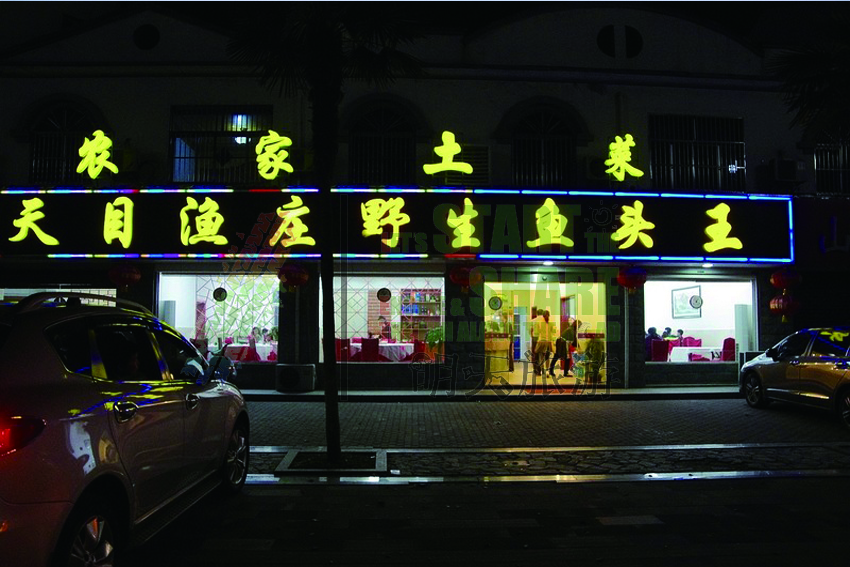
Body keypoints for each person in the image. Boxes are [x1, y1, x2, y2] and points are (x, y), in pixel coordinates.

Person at [535, 310, 556, 377]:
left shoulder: (539, 322)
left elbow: (537, 332)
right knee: (547, 357)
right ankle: (547, 371)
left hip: (541, 341)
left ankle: (542, 370)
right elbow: (554, 331)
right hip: (548, 341)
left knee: (541, 357)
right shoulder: (551, 323)